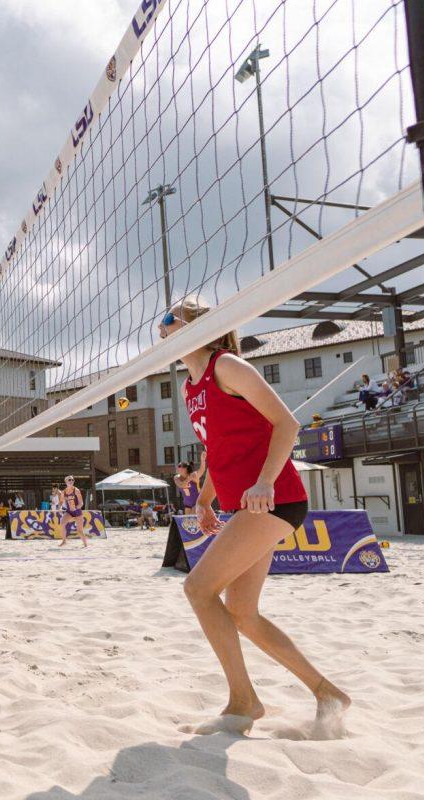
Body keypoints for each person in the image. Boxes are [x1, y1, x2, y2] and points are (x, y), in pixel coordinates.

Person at [161, 294, 349, 736]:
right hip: (246, 504)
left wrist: (264, 481)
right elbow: (217, 449)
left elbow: (287, 425)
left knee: (198, 588)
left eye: (169, 318)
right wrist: (205, 498)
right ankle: (327, 693)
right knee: (243, 612)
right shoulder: (191, 386)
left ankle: (243, 702)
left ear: (196, 327)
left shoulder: (226, 366)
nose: (162, 326)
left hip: (274, 498)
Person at [59, 476, 89, 548]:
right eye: (69, 480)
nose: (71, 481)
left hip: (77, 511)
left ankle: (85, 544)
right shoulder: (64, 492)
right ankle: (64, 541)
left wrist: (75, 508)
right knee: (62, 524)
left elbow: (81, 503)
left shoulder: (76, 490)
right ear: (66, 481)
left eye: (73, 480)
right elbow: (61, 501)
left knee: (80, 531)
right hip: (69, 511)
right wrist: (60, 507)